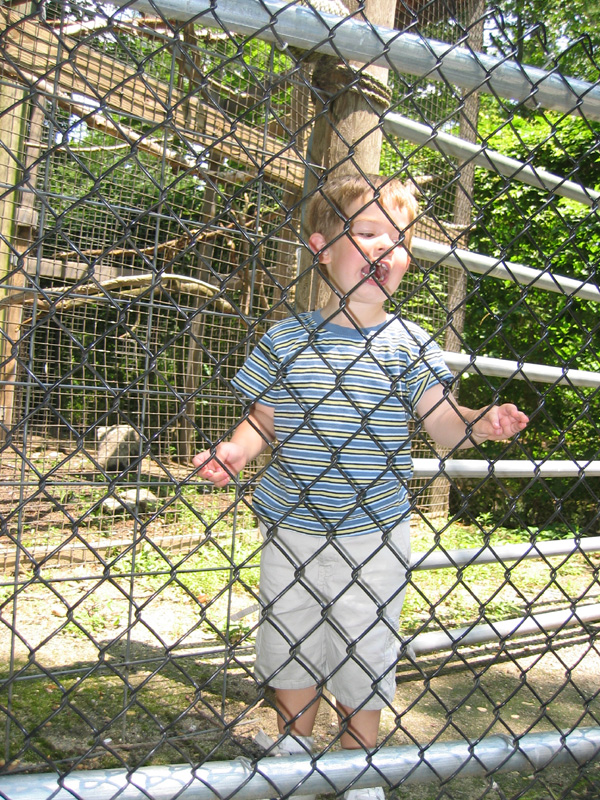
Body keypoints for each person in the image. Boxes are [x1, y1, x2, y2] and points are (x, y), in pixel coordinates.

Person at [193, 173, 528, 800]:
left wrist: (481, 423)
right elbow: (262, 418)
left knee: (365, 642)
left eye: (398, 240)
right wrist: (234, 450)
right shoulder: (287, 338)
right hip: (289, 523)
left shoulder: (411, 346)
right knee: (289, 633)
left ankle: (359, 764)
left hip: (375, 533)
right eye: (368, 232)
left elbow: (442, 425)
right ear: (322, 248)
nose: (384, 249)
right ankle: (293, 745)